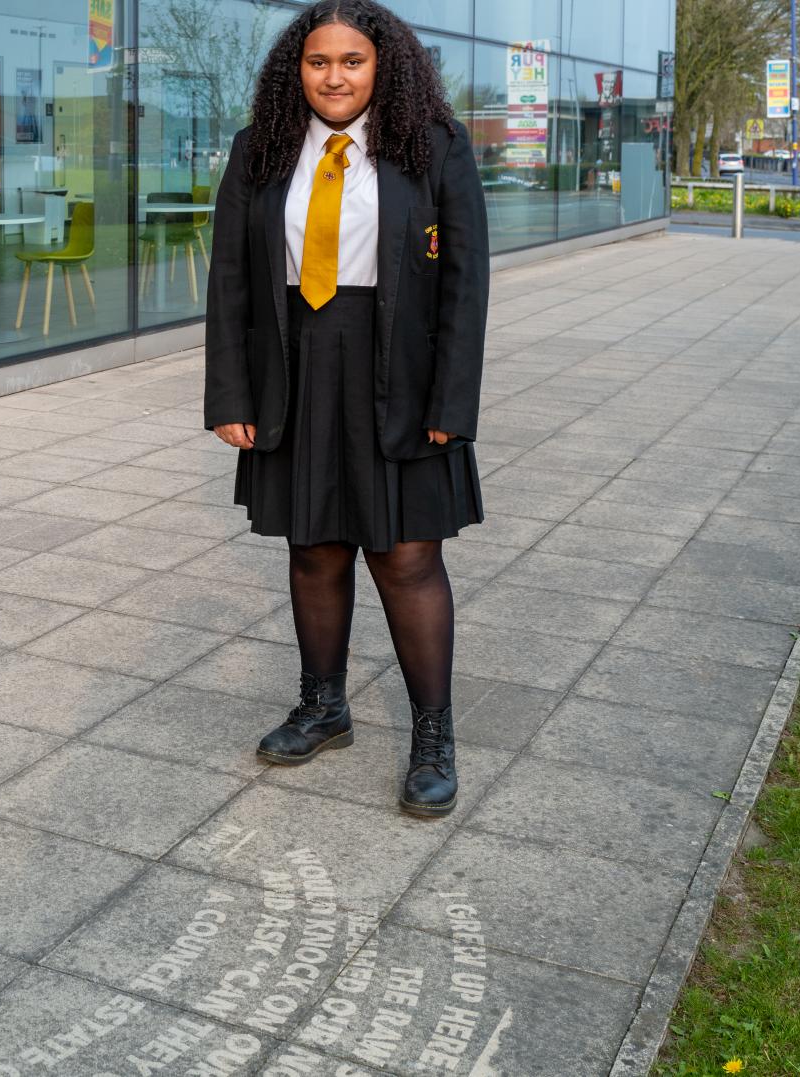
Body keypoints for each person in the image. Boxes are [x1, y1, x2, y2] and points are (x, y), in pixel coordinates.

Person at [203, 0, 488, 818]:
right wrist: (231, 395)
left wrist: (452, 400)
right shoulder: (259, 152)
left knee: (406, 558)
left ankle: (433, 736)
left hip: (402, 374)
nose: (334, 77)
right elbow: (230, 282)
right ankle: (323, 706)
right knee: (313, 548)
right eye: (319, 61)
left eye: (352, 61)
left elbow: (467, 285)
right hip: (293, 370)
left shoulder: (433, 146)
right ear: (297, 68)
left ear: (382, 66)